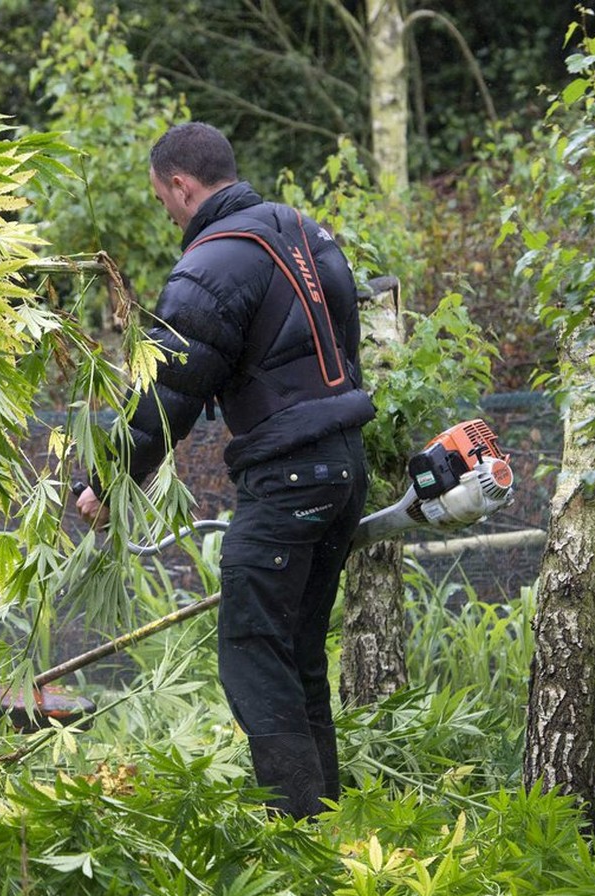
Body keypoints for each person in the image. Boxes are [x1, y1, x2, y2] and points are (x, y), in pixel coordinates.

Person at [77, 123, 374, 820]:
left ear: (181, 185)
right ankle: (324, 821)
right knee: (296, 652)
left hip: (290, 479)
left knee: (252, 651)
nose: (168, 214)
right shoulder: (309, 234)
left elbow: (165, 395)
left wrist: (106, 480)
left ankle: (295, 828)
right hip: (343, 469)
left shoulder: (214, 262)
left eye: (162, 200)